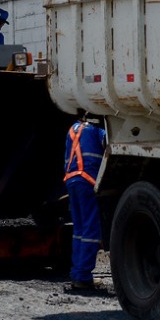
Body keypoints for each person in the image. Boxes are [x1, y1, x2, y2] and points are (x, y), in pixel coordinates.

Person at [63, 113, 107, 291]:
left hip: (72, 181)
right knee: (91, 231)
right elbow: (108, 143)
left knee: (79, 230)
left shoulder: (72, 129)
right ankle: (83, 276)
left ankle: (77, 274)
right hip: (88, 181)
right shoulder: (96, 128)